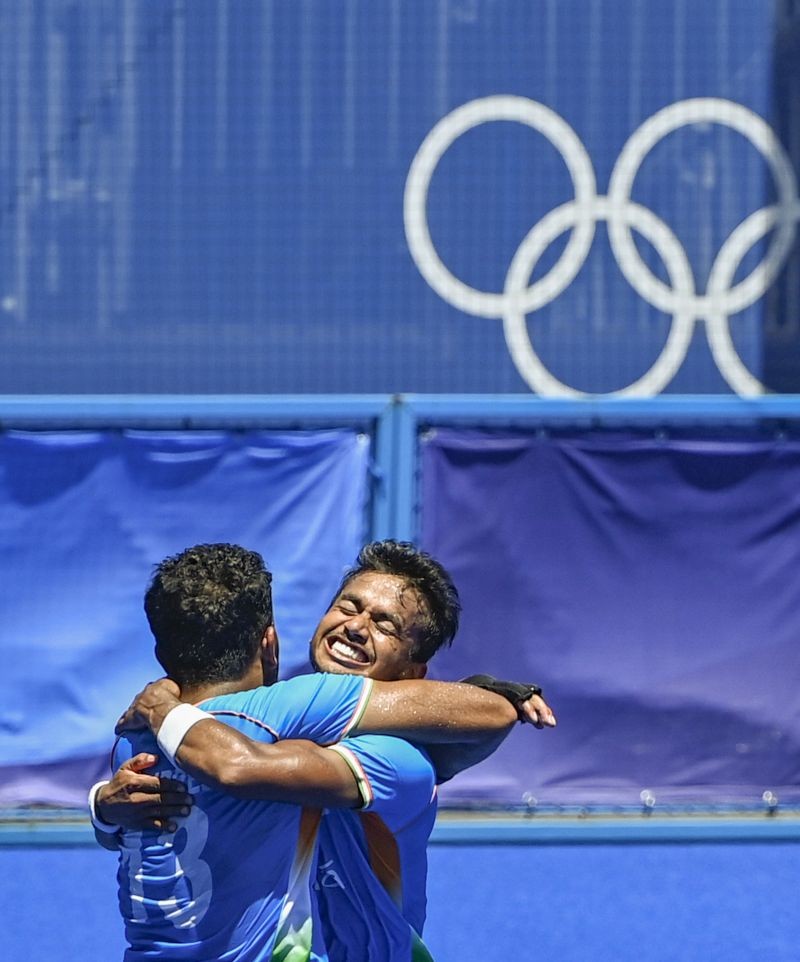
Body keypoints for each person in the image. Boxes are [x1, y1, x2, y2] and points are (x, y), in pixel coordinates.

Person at [96, 541, 555, 960]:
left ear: (415, 673)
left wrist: (165, 711)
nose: (356, 626)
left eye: (384, 624)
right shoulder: (275, 715)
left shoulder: (395, 758)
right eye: (347, 607)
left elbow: (237, 766)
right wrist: (104, 806)